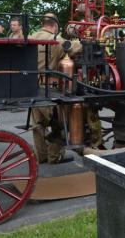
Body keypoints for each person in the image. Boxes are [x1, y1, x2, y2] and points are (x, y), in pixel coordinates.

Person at [30, 13, 82, 163]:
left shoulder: (32, 37)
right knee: (57, 123)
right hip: (49, 87)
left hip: (30, 86)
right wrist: (89, 41)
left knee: (38, 125)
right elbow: (74, 48)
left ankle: (41, 156)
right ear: (54, 26)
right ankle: (54, 157)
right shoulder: (55, 40)